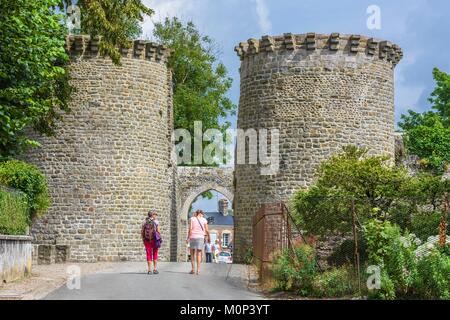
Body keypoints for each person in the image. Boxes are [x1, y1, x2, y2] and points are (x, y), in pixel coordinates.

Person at [186, 209, 210, 275]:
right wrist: (209, 238)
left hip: (193, 237)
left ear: (196, 213)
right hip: (200, 237)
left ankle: (193, 269)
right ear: (201, 214)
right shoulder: (204, 220)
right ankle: (198, 270)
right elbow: (207, 230)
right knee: (199, 254)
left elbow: (190, 229)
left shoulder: (192, 219)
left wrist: (188, 238)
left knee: (192, 254)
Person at [141, 210, 161, 274]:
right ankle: (155, 269)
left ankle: (149, 270)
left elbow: (142, 231)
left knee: (148, 254)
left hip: (147, 240)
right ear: (152, 215)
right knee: (155, 253)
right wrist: (160, 238)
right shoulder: (156, 222)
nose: (156, 216)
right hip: (154, 240)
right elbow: (158, 231)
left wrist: (143, 239)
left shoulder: (144, 221)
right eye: (155, 214)